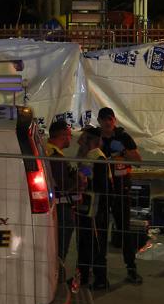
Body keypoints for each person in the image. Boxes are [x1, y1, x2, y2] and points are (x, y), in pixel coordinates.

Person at [98, 107, 142, 284]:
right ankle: (100, 274)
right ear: (100, 121)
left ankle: (131, 269)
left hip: (121, 190)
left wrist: (123, 153)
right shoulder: (95, 137)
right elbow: (82, 157)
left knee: (124, 230)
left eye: (111, 119)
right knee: (99, 232)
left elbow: (138, 161)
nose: (108, 122)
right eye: (104, 119)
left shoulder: (123, 137)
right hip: (101, 189)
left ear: (114, 120)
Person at [75, 126, 111, 290]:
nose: (79, 140)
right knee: (84, 242)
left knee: (96, 243)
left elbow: (102, 187)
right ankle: (81, 276)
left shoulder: (99, 158)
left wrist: (84, 184)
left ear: (91, 140)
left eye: (83, 137)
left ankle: (101, 278)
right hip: (85, 208)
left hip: (95, 210)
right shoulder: (87, 156)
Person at [45, 119, 78, 281]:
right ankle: (58, 279)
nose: (70, 139)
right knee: (60, 246)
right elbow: (64, 186)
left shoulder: (45, 149)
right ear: (63, 135)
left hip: (52, 206)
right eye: (69, 135)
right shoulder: (55, 156)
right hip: (61, 207)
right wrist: (79, 181)